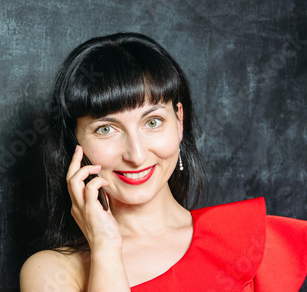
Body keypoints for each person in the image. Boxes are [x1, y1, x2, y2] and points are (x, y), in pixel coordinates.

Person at [19, 32, 307, 291]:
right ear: (75, 143)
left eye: (153, 122)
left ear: (179, 121)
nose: (136, 154)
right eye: (106, 129)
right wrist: (105, 247)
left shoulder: (258, 240)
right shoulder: (51, 272)